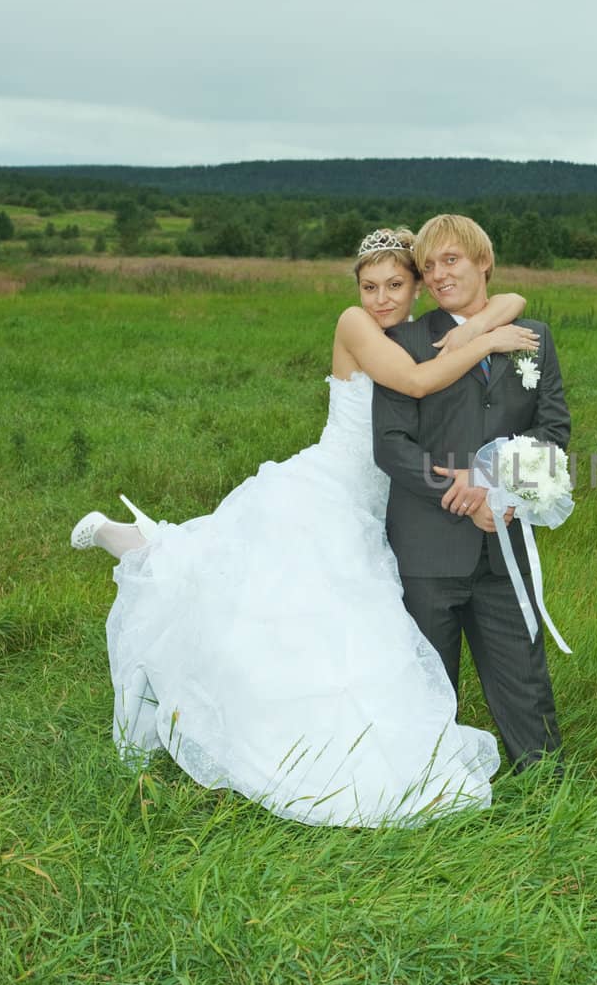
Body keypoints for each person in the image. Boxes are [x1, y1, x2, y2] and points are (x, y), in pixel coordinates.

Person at [70, 227, 540, 827]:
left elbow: (509, 303)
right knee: (275, 601)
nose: (381, 298)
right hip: (332, 486)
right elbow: (420, 382)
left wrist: (484, 324)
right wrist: (487, 338)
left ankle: (147, 544)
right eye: (370, 286)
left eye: (395, 285)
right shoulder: (356, 325)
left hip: (380, 499)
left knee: (282, 599)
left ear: (418, 285)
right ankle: (136, 543)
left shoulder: (419, 332)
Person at [373, 214, 570, 778]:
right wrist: (457, 492)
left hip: (503, 540)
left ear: (484, 262)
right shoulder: (404, 341)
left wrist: (497, 489)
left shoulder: (534, 338)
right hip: (427, 548)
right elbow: (392, 445)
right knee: (429, 684)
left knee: (524, 676)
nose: (437, 274)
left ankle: (547, 791)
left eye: (450, 260)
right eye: (428, 266)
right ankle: (432, 797)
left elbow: (552, 432)